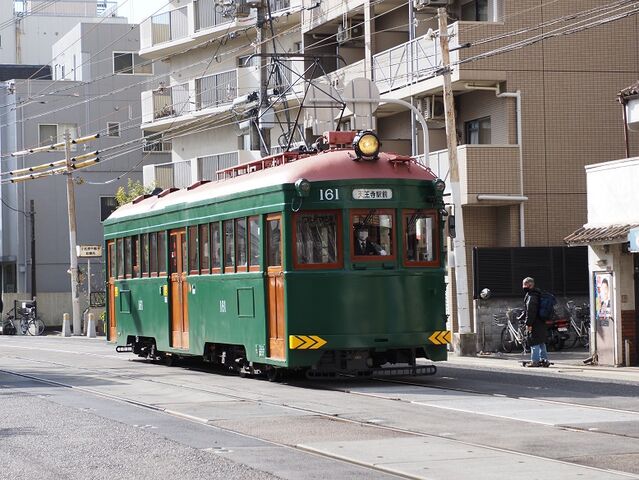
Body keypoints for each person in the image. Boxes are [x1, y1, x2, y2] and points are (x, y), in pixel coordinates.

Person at [521, 276, 550, 368]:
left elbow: (531, 311)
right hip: (541, 321)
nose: (523, 286)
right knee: (541, 341)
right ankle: (544, 360)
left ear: (530, 285)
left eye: (525, 284)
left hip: (535, 322)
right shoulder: (539, 293)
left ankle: (535, 361)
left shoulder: (531, 296)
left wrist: (528, 323)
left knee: (533, 341)